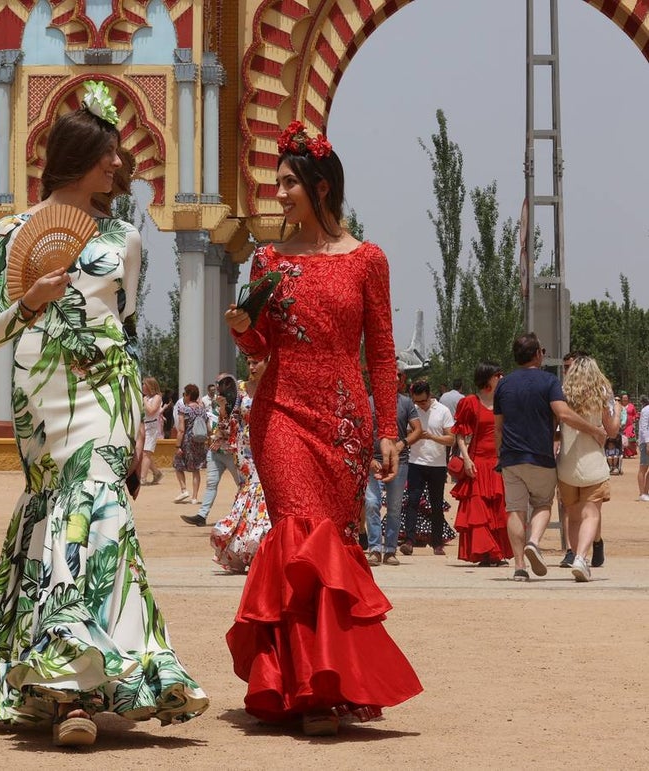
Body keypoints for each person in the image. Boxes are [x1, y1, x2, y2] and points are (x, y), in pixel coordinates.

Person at [0, 87, 208, 746]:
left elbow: (124, 331)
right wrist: (30, 297)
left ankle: (76, 692)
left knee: (97, 510)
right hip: (43, 394)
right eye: (109, 152)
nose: (119, 164)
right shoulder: (10, 232)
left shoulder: (125, 239)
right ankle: (67, 682)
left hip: (105, 390)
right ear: (79, 156)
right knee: (60, 512)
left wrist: (143, 432)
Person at [224, 120, 421, 735]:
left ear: (322, 187)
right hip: (279, 411)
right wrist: (240, 325)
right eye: (276, 182)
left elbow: (382, 355)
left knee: (328, 545)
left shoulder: (368, 260)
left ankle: (324, 683)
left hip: (342, 421)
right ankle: (302, 689)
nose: (278, 193)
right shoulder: (268, 259)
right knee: (296, 536)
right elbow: (259, 343)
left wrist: (386, 429)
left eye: (288, 183)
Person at [494, 332, 607, 582]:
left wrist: (498, 455)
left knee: (514, 510)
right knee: (543, 504)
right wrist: (594, 430)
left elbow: (498, 427)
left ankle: (520, 568)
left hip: (510, 457)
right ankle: (533, 542)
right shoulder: (548, 381)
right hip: (539, 455)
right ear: (537, 355)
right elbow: (563, 414)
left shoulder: (503, 384)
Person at [556, 356, 620, 582]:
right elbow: (611, 431)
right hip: (593, 462)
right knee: (591, 514)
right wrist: (618, 410)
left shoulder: (562, 393)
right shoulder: (601, 394)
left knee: (573, 516)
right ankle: (582, 558)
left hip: (567, 464)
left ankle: (574, 554)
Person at [210, 356, 272, 573]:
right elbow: (227, 425)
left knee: (264, 496)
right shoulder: (240, 390)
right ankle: (248, 548)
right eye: (249, 363)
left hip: (271, 448)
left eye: (256, 362)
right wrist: (223, 410)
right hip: (246, 453)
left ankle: (260, 548)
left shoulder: (277, 386)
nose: (252, 367)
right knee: (250, 496)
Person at [451, 362, 512, 566]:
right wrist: (466, 459)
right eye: (498, 375)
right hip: (477, 461)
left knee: (498, 509)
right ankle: (485, 553)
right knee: (478, 509)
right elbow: (460, 434)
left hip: (498, 461)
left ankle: (496, 552)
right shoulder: (470, 402)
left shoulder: (504, 401)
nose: (502, 378)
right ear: (487, 378)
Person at [364, 367, 422, 566]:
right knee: (371, 504)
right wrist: (368, 458)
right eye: (391, 375)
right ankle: (374, 549)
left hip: (400, 462)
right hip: (373, 463)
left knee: (395, 507)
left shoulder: (406, 403)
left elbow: (418, 430)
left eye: (398, 376)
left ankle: (390, 550)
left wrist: (402, 444)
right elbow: (360, 431)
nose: (395, 379)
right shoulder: (368, 402)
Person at [400, 380, 456, 556]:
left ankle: (437, 542)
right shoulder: (412, 410)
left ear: (430, 395)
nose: (420, 405)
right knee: (412, 501)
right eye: (417, 401)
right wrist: (414, 436)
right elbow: (407, 434)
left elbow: (451, 439)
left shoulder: (443, 411)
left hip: (437, 465)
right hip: (416, 463)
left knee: (436, 505)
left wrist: (431, 437)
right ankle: (409, 540)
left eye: (423, 401)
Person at [181, 373, 245, 526]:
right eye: (218, 383)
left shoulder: (239, 402)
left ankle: (243, 514)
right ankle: (202, 516)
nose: (218, 386)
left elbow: (228, 427)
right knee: (211, 483)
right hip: (217, 449)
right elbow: (220, 426)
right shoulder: (218, 403)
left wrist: (222, 408)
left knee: (243, 485)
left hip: (231, 451)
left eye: (221, 383)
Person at [172, 383, 207, 504]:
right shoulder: (202, 409)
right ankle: (195, 497)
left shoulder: (184, 409)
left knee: (177, 463)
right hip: (199, 441)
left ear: (188, 395)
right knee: (196, 469)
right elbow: (207, 426)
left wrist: (178, 446)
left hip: (187, 441)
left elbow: (181, 429)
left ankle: (183, 490)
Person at [139, 377, 163, 484]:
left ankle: (142, 478)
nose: (142, 386)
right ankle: (157, 473)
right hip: (143, 427)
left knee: (146, 453)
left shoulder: (157, 397)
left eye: (144, 384)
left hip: (152, 427)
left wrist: (144, 400)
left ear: (149, 386)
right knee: (143, 453)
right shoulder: (147, 398)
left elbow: (151, 411)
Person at [639, 396, 649, 502]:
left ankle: (647, 491)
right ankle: (642, 493)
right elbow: (644, 427)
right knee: (643, 467)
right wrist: (647, 442)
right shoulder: (646, 410)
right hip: (645, 442)